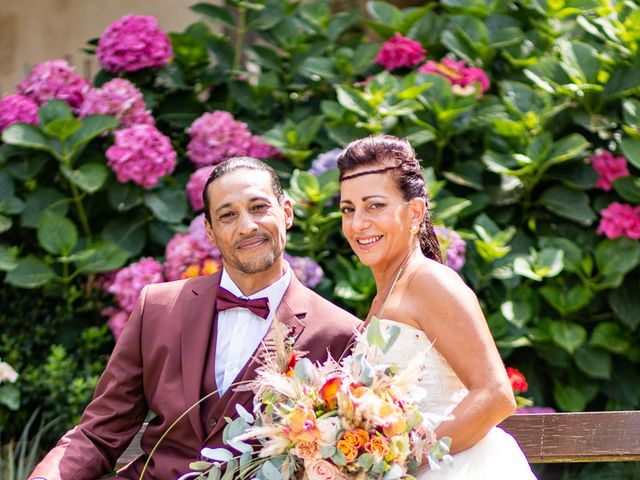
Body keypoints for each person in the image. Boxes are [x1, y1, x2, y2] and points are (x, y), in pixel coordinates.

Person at [30, 157, 361, 480]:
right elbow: (99, 432)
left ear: (286, 213)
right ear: (211, 231)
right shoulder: (157, 307)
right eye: (227, 215)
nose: (247, 226)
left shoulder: (339, 334)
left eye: (259, 208)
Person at [338, 135, 536, 479]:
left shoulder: (430, 282)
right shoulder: (385, 295)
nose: (358, 224)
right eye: (348, 209)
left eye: (374, 206)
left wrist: (398, 461)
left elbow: (496, 395)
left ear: (414, 211)